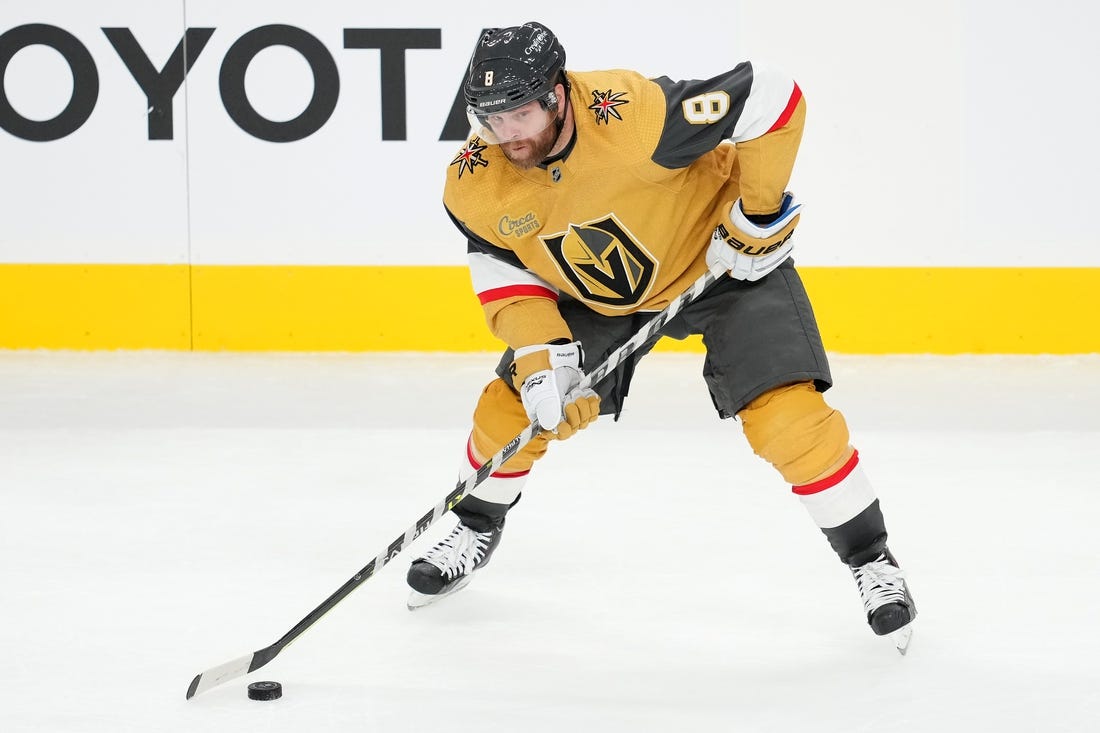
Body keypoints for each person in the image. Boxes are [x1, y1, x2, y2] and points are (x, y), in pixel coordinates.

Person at [407, 21, 917, 649]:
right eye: (489, 115)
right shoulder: (476, 180)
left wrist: (757, 214)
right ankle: (476, 525)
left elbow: (773, 96)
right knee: (512, 406)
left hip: (724, 265)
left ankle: (870, 558)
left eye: (519, 112)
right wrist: (542, 358)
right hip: (598, 294)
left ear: (558, 93)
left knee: (789, 420)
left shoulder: (635, 119)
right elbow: (501, 267)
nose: (506, 133)